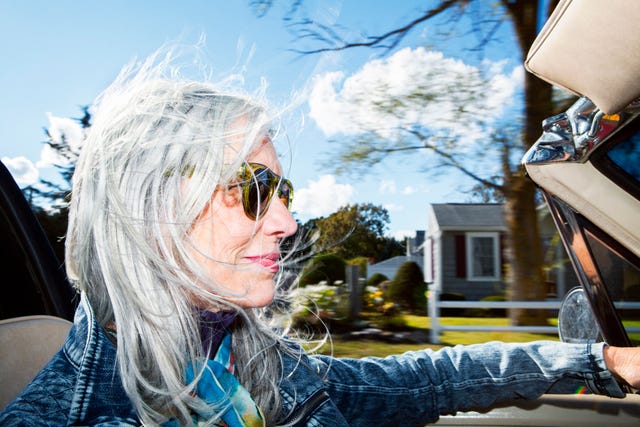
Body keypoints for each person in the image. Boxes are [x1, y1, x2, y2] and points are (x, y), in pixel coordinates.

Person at [1, 48, 639, 427]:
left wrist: (599, 360)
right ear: (148, 209)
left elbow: (426, 378)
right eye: (252, 187)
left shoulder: (253, 364)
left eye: (285, 192)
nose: (286, 221)